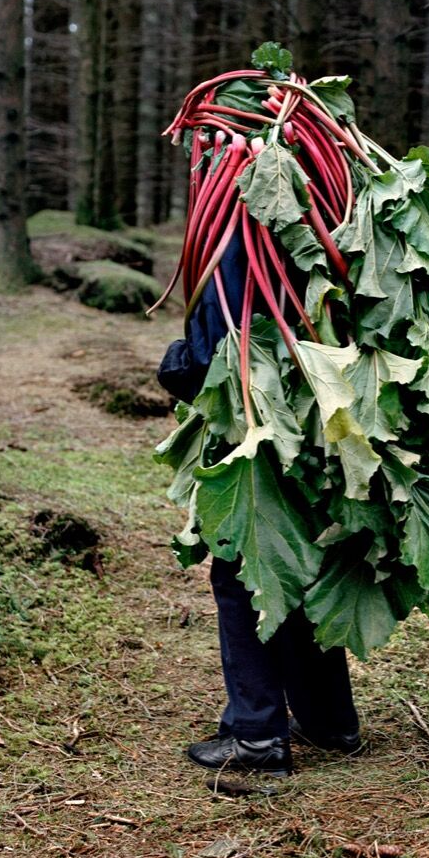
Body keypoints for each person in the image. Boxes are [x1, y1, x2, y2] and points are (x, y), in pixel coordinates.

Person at [156, 233, 361, 778]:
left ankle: (256, 736)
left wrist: (176, 364)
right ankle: (329, 719)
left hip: (264, 419)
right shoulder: (327, 203)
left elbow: (216, 356)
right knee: (305, 556)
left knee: (246, 567)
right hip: (333, 412)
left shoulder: (237, 230)